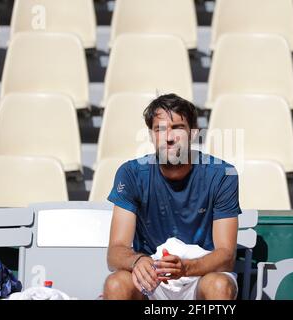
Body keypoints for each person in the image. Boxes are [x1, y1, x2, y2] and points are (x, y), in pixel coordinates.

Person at [103, 93, 241, 300]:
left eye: (178, 128)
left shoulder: (222, 174)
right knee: (115, 284)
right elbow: (115, 252)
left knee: (220, 286)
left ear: (193, 133)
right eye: (160, 129)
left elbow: (226, 255)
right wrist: (137, 261)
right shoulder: (131, 173)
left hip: (201, 273)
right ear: (151, 135)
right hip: (151, 274)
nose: (169, 137)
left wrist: (187, 267)